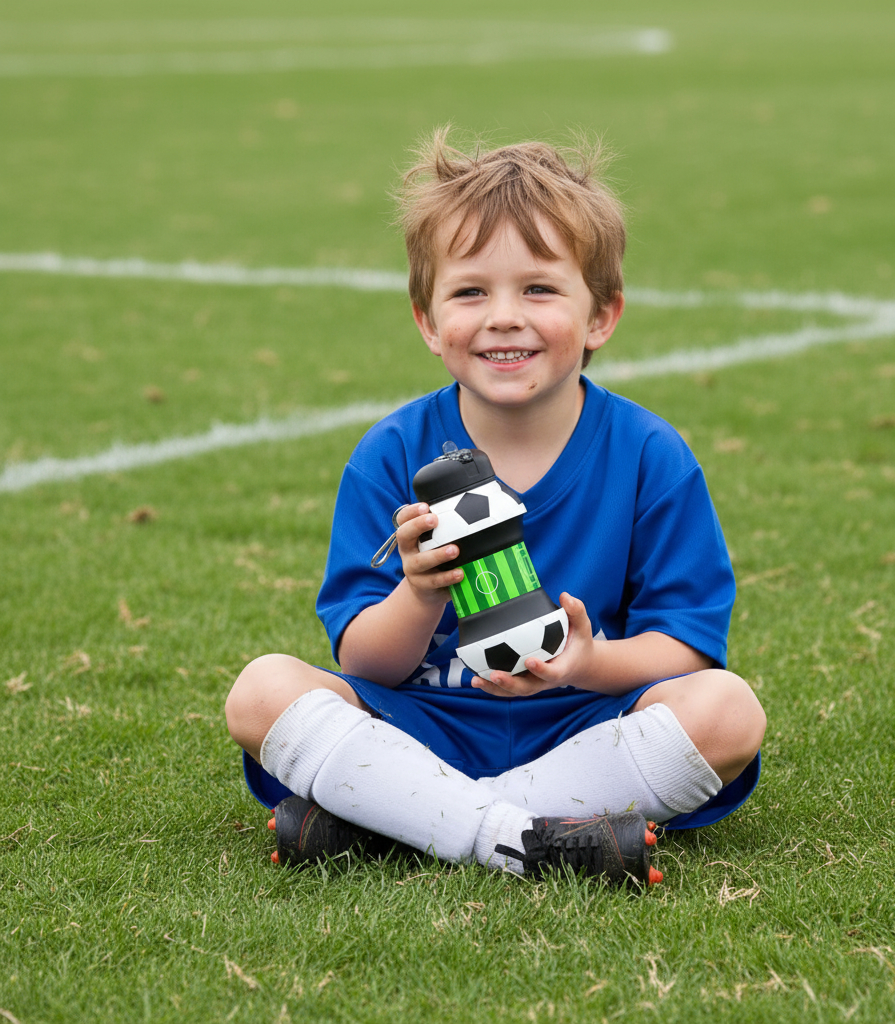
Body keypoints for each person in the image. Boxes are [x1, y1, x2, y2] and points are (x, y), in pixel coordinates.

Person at [224, 129, 766, 887]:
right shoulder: (391, 453)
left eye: (539, 289)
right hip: (420, 727)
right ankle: (525, 836)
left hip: (583, 730)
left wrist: (591, 662)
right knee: (260, 691)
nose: (504, 316)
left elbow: (688, 647)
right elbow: (363, 661)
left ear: (601, 316)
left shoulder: (650, 454)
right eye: (471, 292)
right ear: (427, 320)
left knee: (730, 710)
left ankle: (404, 820)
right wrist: (418, 593)